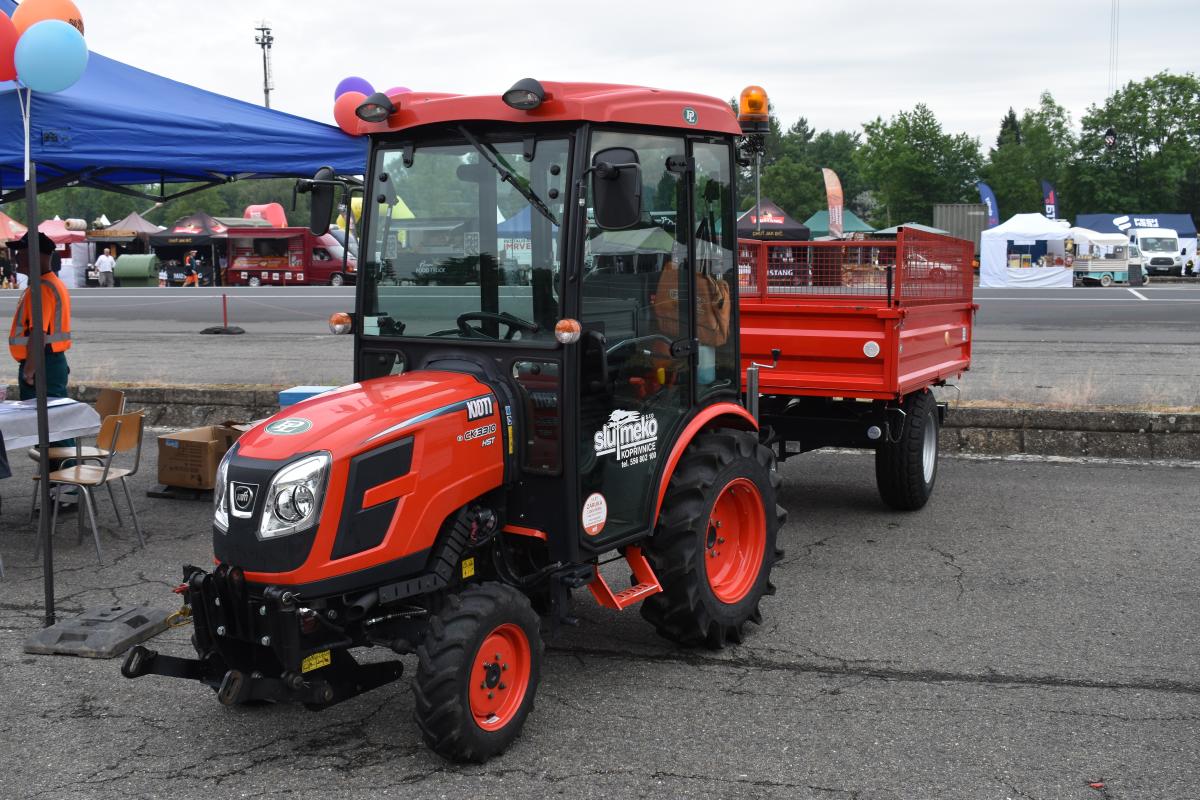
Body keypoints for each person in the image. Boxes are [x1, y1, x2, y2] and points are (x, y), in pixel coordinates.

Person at [8, 231, 76, 483]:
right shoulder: (44, 284)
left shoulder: (42, 287)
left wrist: (29, 369)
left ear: (37, 255)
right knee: (51, 424)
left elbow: (39, 332)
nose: (16, 258)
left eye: (21, 252)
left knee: (52, 426)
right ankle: (59, 477)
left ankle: (67, 483)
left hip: (41, 364)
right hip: (46, 363)